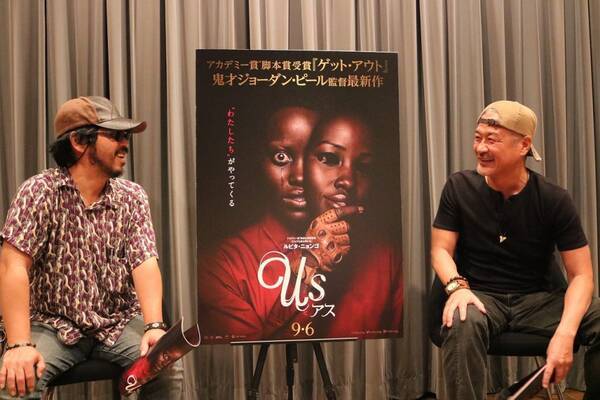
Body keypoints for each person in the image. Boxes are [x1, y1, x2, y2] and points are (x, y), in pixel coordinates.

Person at [0, 96, 183, 399]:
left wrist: (154, 326)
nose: (125, 143)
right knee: (16, 381)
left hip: (117, 321)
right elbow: (13, 265)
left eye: (126, 135)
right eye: (115, 135)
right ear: (78, 141)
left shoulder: (132, 197)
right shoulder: (39, 191)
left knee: (164, 364)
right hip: (52, 323)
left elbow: (144, 261)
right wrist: (18, 345)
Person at [431, 100, 600, 399]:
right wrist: (458, 288)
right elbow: (440, 250)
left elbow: (582, 275)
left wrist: (565, 332)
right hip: (480, 297)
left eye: (492, 140)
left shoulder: (554, 199)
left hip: (538, 301)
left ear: (523, 146)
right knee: (462, 319)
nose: (481, 148)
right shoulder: (459, 187)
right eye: (477, 138)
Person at [197, 106, 361, 342]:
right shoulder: (220, 265)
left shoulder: (377, 258)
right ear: (258, 163)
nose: (300, 176)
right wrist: (307, 266)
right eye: (281, 157)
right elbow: (253, 345)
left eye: (322, 158)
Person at [302, 112, 403, 338]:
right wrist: (308, 264)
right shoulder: (237, 258)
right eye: (329, 158)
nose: (347, 180)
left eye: (363, 167)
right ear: (302, 167)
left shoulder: (389, 259)